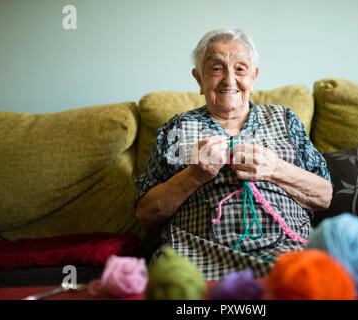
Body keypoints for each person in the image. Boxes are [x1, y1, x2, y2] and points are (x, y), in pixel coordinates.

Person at [135, 29, 333, 280]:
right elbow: (146, 214)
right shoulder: (177, 128)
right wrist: (194, 175)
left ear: (254, 76)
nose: (229, 80)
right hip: (194, 257)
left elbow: (324, 196)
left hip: (285, 252)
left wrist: (275, 169)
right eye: (216, 69)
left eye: (240, 69)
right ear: (199, 78)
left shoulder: (284, 119)